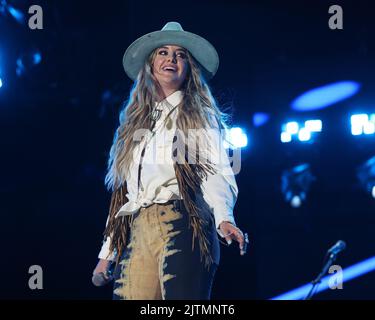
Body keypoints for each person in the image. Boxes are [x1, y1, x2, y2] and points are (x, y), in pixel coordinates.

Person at [92, 21, 248, 300]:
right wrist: (108, 253)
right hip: (138, 228)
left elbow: (215, 172)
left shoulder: (198, 115)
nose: (171, 59)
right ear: (151, 64)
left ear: (189, 68)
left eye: (180, 54)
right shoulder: (134, 125)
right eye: (163, 52)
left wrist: (224, 217)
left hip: (183, 221)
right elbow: (124, 195)